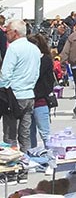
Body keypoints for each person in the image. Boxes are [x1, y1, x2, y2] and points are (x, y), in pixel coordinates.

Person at [0, 20, 40, 149]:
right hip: (29, 95)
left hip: (14, 96)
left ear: (15, 32)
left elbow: (5, 74)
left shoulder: (14, 48)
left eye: (8, 31)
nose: (5, 34)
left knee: (10, 135)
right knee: (24, 134)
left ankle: (12, 164)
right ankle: (26, 161)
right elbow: (36, 73)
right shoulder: (34, 49)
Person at [26, 34, 55, 149]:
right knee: (29, 133)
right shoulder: (40, 59)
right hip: (30, 100)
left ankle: (50, 156)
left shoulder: (44, 60)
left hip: (40, 101)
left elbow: (41, 79)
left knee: (44, 133)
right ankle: (32, 157)